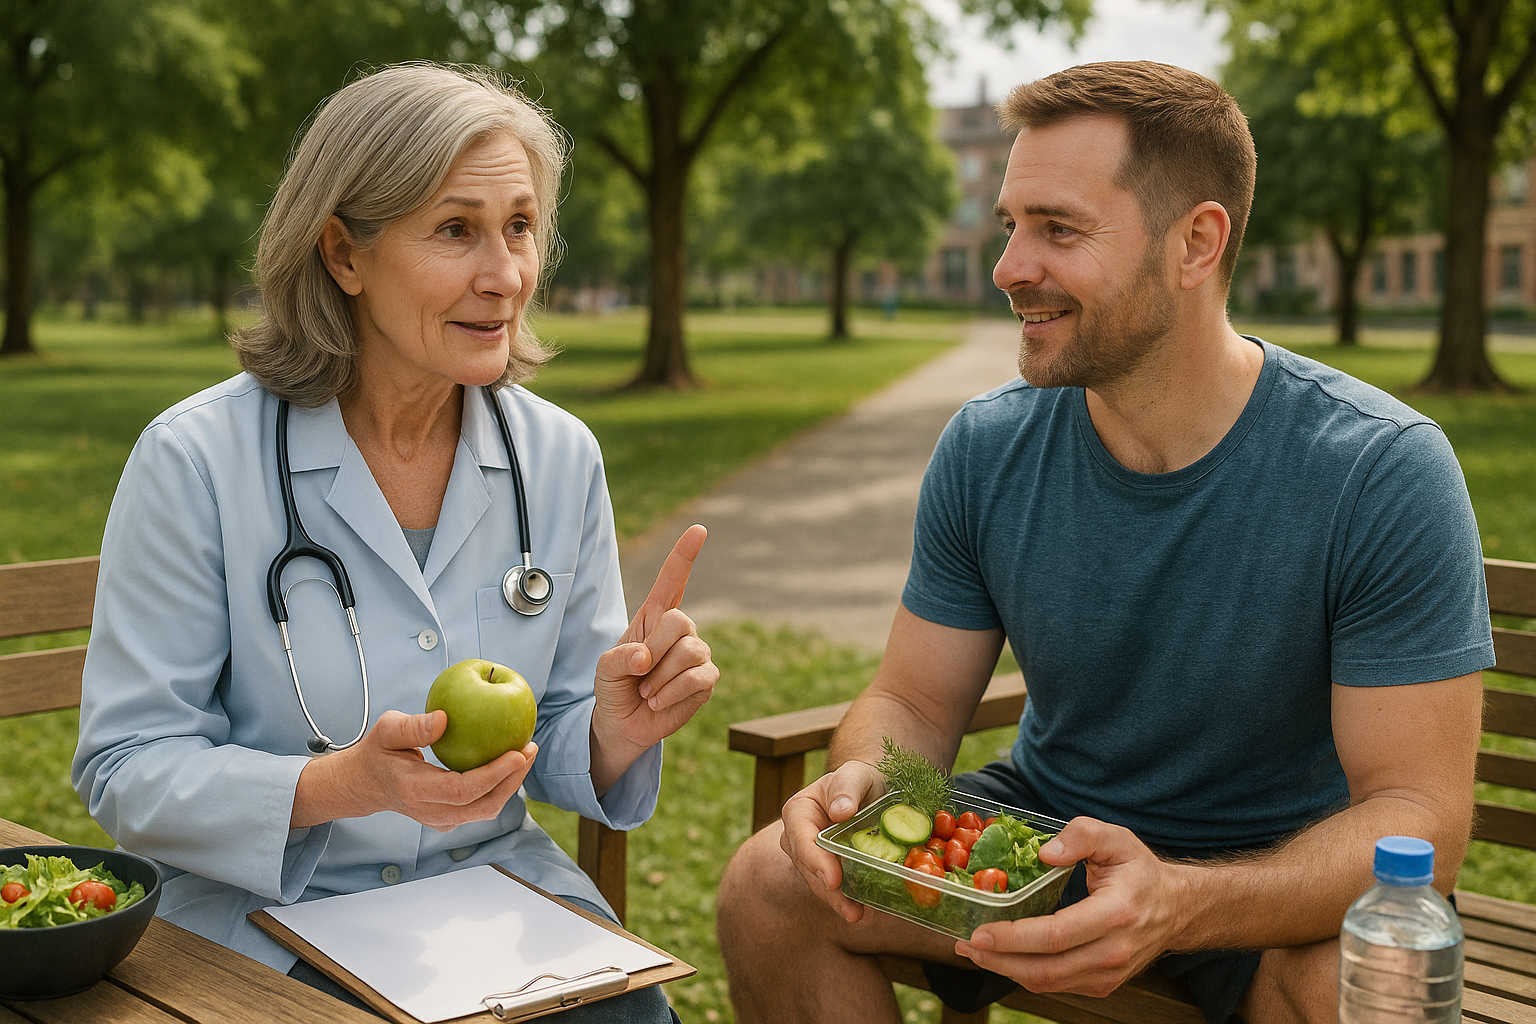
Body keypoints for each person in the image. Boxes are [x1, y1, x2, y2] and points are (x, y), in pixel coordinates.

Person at [716, 61, 1492, 1024]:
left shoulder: (1380, 469)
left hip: (1280, 881)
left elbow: (1416, 821)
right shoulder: (989, 445)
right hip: (1041, 847)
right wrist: (870, 780)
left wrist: (1179, 902)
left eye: (1058, 228)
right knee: (769, 888)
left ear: (1196, 243)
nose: (1007, 267)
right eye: (1010, 225)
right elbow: (913, 698)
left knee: (1362, 989)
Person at [72, 64, 717, 1023]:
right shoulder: (196, 460)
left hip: (500, 908)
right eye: (456, 230)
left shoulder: (558, 456)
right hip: (273, 919)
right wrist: (338, 786)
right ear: (343, 254)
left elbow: (560, 722)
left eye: (520, 226)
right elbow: (125, 764)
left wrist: (612, 732)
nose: (505, 275)